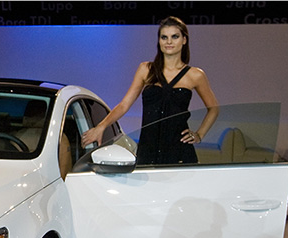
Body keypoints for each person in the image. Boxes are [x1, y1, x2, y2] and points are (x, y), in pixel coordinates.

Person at [82, 16, 219, 165]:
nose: (169, 42)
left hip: (180, 152)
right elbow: (124, 105)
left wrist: (199, 134)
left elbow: (214, 109)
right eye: (164, 37)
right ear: (159, 41)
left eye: (175, 37)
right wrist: (100, 127)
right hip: (148, 151)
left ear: (184, 40)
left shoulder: (195, 75)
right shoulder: (146, 69)